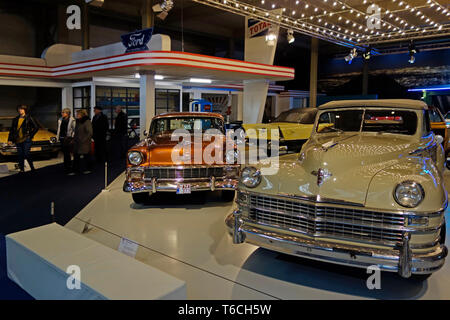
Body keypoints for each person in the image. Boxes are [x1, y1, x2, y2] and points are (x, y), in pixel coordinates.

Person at [7, 105, 38, 173]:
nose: (20, 110)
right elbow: (12, 130)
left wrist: (30, 135)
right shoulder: (15, 119)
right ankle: (22, 169)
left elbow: (36, 127)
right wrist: (9, 139)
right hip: (18, 139)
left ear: (25, 110)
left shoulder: (29, 118)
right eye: (19, 109)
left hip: (26, 139)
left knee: (26, 154)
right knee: (20, 155)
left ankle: (32, 167)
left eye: (21, 109)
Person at [71, 109, 93, 175]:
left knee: (86, 157)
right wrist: (74, 139)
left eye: (78, 114)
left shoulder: (87, 121)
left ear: (82, 114)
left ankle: (88, 169)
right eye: (76, 114)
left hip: (84, 143)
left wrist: (83, 140)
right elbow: (76, 132)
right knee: (76, 157)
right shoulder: (78, 121)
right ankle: (75, 170)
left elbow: (90, 132)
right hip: (77, 143)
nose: (76, 115)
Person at [56, 108, 76, 174]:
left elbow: (74, 129)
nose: (62, 113)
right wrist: (57, 137)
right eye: (62, 112)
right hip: (62, 138)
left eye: (63, 112)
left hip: (68, 138)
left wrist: (72, 137)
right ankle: (66, 166)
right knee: (65, 153)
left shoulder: (72, 120)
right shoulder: (60, 119)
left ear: (67, 113)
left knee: (68, 153)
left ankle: (69, 167)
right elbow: (59, 129)